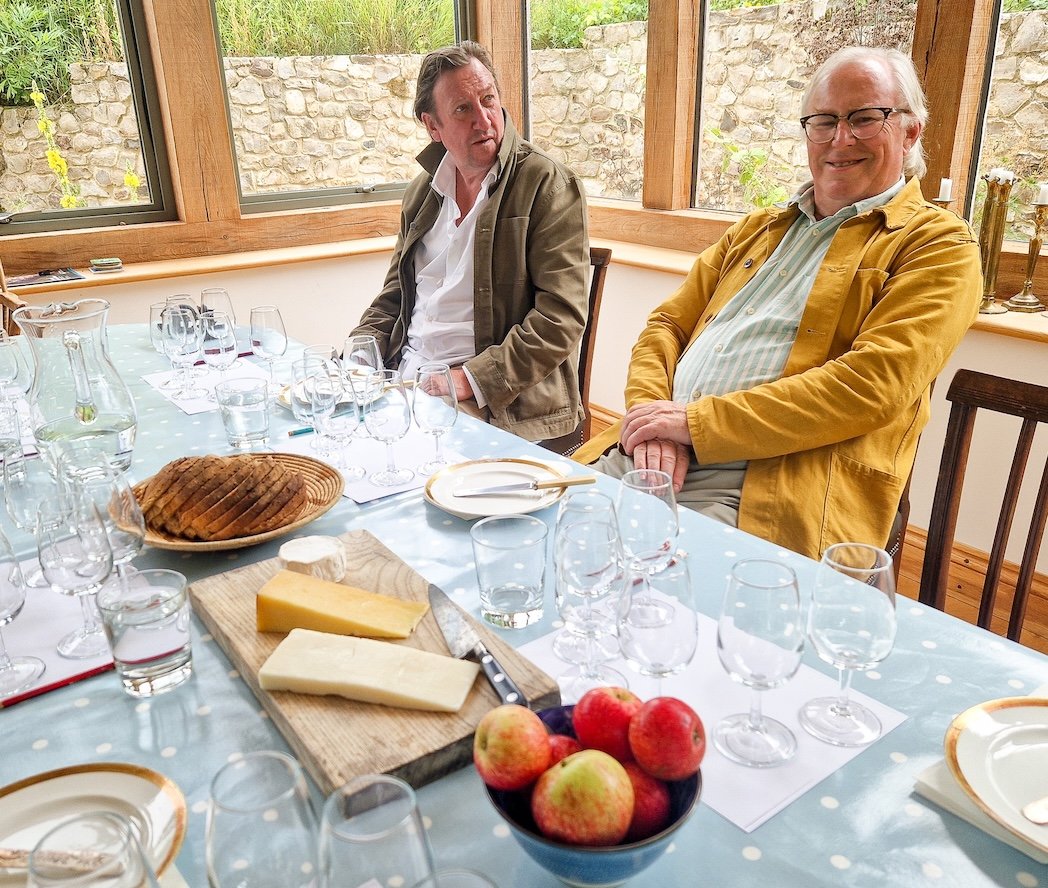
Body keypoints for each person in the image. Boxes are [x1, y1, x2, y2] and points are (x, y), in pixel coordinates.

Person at [575, 46, 982, 560]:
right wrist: (654, 424)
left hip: (767, 487)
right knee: (546, 547)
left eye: (864, 119)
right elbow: (665, 327)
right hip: (656, 456)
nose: (840, 139)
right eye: (824, 121)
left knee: (652, 602)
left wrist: (694, 424)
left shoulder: (938, 245)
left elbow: (870, 386)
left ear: (911, 131)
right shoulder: (757, 229)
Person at [351, 41, 589, 443]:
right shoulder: (422, 193)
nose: (484, 120)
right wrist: (359, 356)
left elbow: (560, 319)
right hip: (407, 377)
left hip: (496, 401)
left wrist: (469, 380)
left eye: (488, 99)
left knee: (395, 466)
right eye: (463, 109)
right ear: (434, 126)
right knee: (321, 436)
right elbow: (396, 293)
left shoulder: (547, 185)